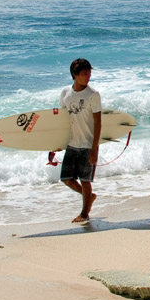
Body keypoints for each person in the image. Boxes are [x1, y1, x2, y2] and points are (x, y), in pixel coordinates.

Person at [60, 58, 102, 222]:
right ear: (75, 75)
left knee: (85, 181)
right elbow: (62, 120)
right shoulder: (66, 93)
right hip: (72, 143)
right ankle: (89, 197)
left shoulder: (93, 95)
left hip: (87, 144)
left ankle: (84, 213)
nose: (88, 76)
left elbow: (98, 123)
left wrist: (94, 149)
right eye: (85, 73)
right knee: (67, 179)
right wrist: (55, 145)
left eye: (89, 72)